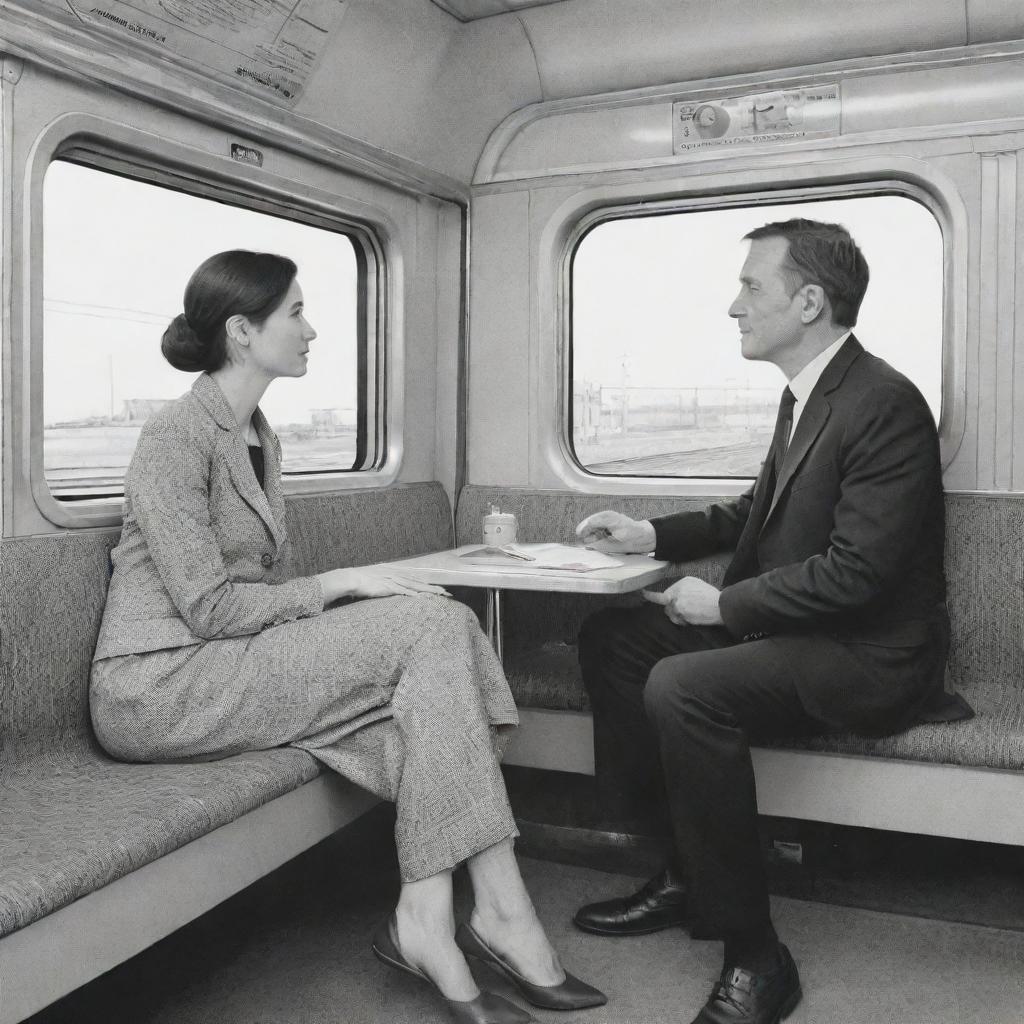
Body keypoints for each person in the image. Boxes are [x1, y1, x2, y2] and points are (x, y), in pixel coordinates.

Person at [89, 250, 605, 1024]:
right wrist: (339, 585)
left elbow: (254, 602)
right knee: (437, 627)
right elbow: (209, 609)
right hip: (160, 684)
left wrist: (340, 602)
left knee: (429, 698)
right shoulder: (175, 439)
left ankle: (435, 915)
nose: (312, 329)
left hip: (228, 664)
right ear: (241, 330)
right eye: (295, 312)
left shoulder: (260, 437)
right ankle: (492, 915)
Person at [572, 219, 954, 1024]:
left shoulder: (883, 402)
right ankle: (684, 876)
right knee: (613, 639)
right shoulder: (810, 395)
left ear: (809, 300)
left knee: (682, 685)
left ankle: (757, 954)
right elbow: (755, 511)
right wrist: (652, 536)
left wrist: (724, 605)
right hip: (803, 635)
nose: (733, 306)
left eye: (751, 286)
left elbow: (861, 572)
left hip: (869, 654)